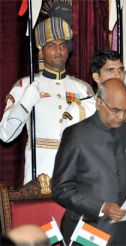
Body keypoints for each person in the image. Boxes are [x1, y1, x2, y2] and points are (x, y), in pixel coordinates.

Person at [52, 79, 126, 244]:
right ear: (98, 103)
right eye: (116, 110)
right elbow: (61, 189)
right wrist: (102, 207)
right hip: (87, 231)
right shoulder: (76, 135)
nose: (122, 117)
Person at [0, 17, 93, 183]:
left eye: (62, 45)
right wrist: (26, 101)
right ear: (41, 52)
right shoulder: (25, 85)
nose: (58, 50)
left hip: (76, 173)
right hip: (40, 173)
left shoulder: (83, 88)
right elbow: (5, 135)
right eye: (51, 45)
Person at [61, 49, 126, 179]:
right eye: (110, 70)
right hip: (91, 188)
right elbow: (68, 161)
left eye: (120, 70)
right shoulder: (78, 110)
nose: (118, 75)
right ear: (96, 77)